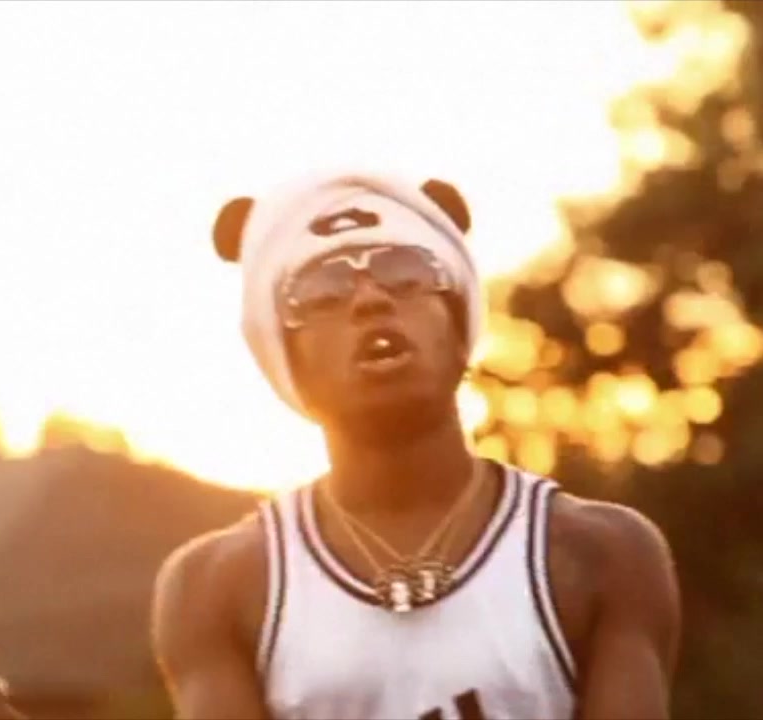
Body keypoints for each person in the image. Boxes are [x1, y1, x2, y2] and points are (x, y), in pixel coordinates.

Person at [151, 172, 682, 720]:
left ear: (459, 325)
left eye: (406, 273)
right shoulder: (217, 587)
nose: (370, 299)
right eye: (322, 291)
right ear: (285, 357)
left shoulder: (601, 554)